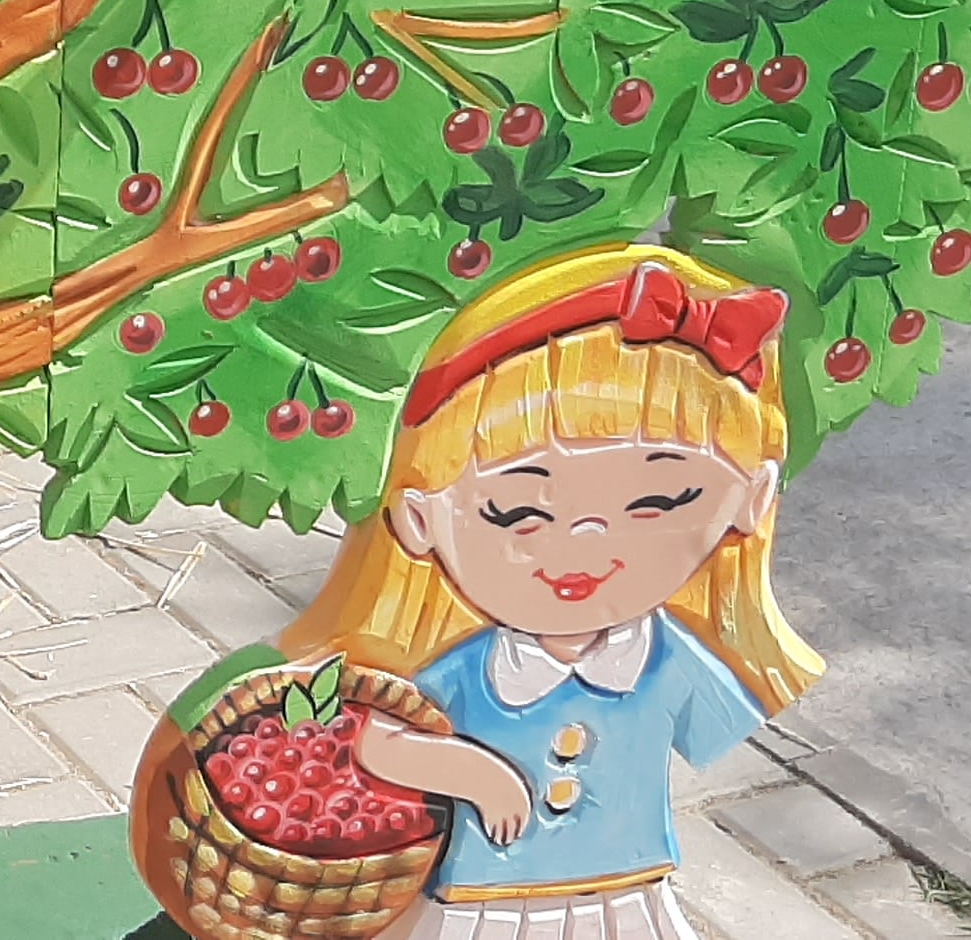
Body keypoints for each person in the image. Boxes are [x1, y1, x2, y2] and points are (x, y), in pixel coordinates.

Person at [286, 243, 823, 940]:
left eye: (658, 502)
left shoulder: (669, 662)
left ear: (751, 498)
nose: (586, 546)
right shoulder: (469, 673)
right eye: (517, 513)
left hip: (626, 897)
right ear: (419, 519)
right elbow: (367, 737)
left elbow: (718, 723)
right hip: (484, 905)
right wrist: (470, 771)